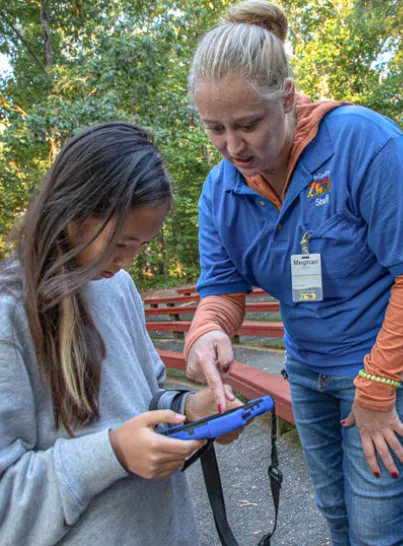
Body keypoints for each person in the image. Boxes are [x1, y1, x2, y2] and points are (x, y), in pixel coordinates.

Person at [184, 1, 403, 544]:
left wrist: (377, 388)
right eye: (215, 129)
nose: (232, 147)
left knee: (377, 527)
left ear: (289, 98)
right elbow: (223, 291)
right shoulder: (219, 192)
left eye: (247, 125)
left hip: (391, 365)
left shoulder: (365, 144)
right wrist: (207, 332)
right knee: (337, 516)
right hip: (309, 370)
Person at [0, 121, 243, 546]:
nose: (128, 261)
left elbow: (146, 398)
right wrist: (112, 453)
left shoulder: (116, 285)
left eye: (141, 246)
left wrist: (189, 412)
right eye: (120, 243)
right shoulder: (10, 317)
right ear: (71, 212)